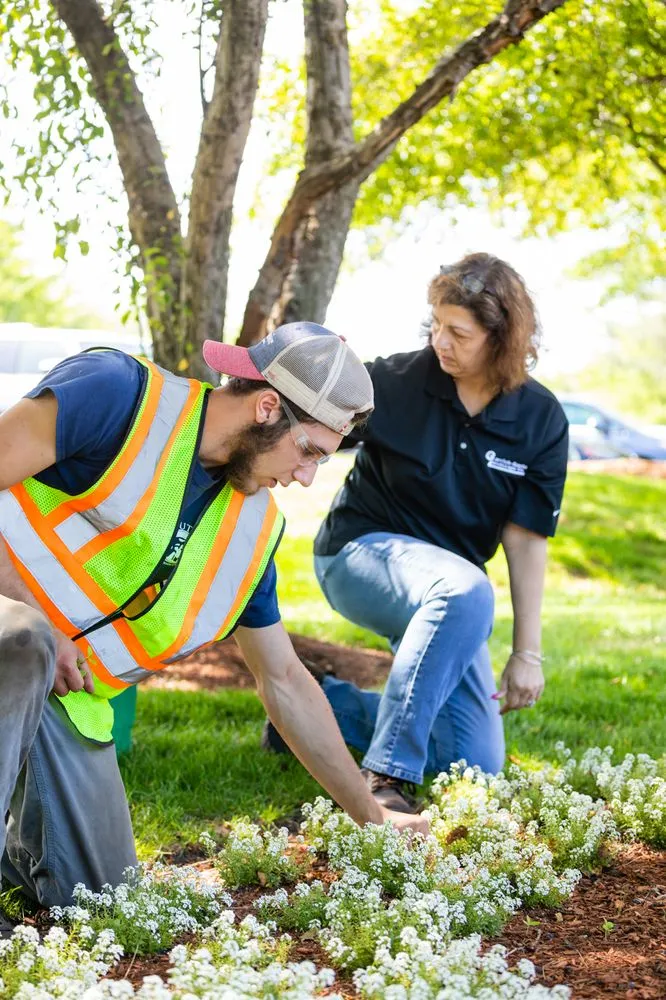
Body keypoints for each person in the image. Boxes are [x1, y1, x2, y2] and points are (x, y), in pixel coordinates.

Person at [0, 321, 429, 928]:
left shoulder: (250, 534)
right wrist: (42, 620)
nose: (306, 478)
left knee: (107, 900)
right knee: (23, 638)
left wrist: (372, 816)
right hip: (9, 633)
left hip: (64, 697)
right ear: (266, 406)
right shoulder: (115, 393)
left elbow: (284, 680)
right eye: (308, 452)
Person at [307, 254, 569, 814]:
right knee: (465, 588)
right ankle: (386, 774)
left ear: (501, 339)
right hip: (357, 555)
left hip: (452, 595)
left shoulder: (542, 420)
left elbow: (525, 540)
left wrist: (528, 653)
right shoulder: (392, 382)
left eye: (458, 332)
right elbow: (305, 421)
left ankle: (314, 709)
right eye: (435, 324)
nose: (439, 341)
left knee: (472, 763)